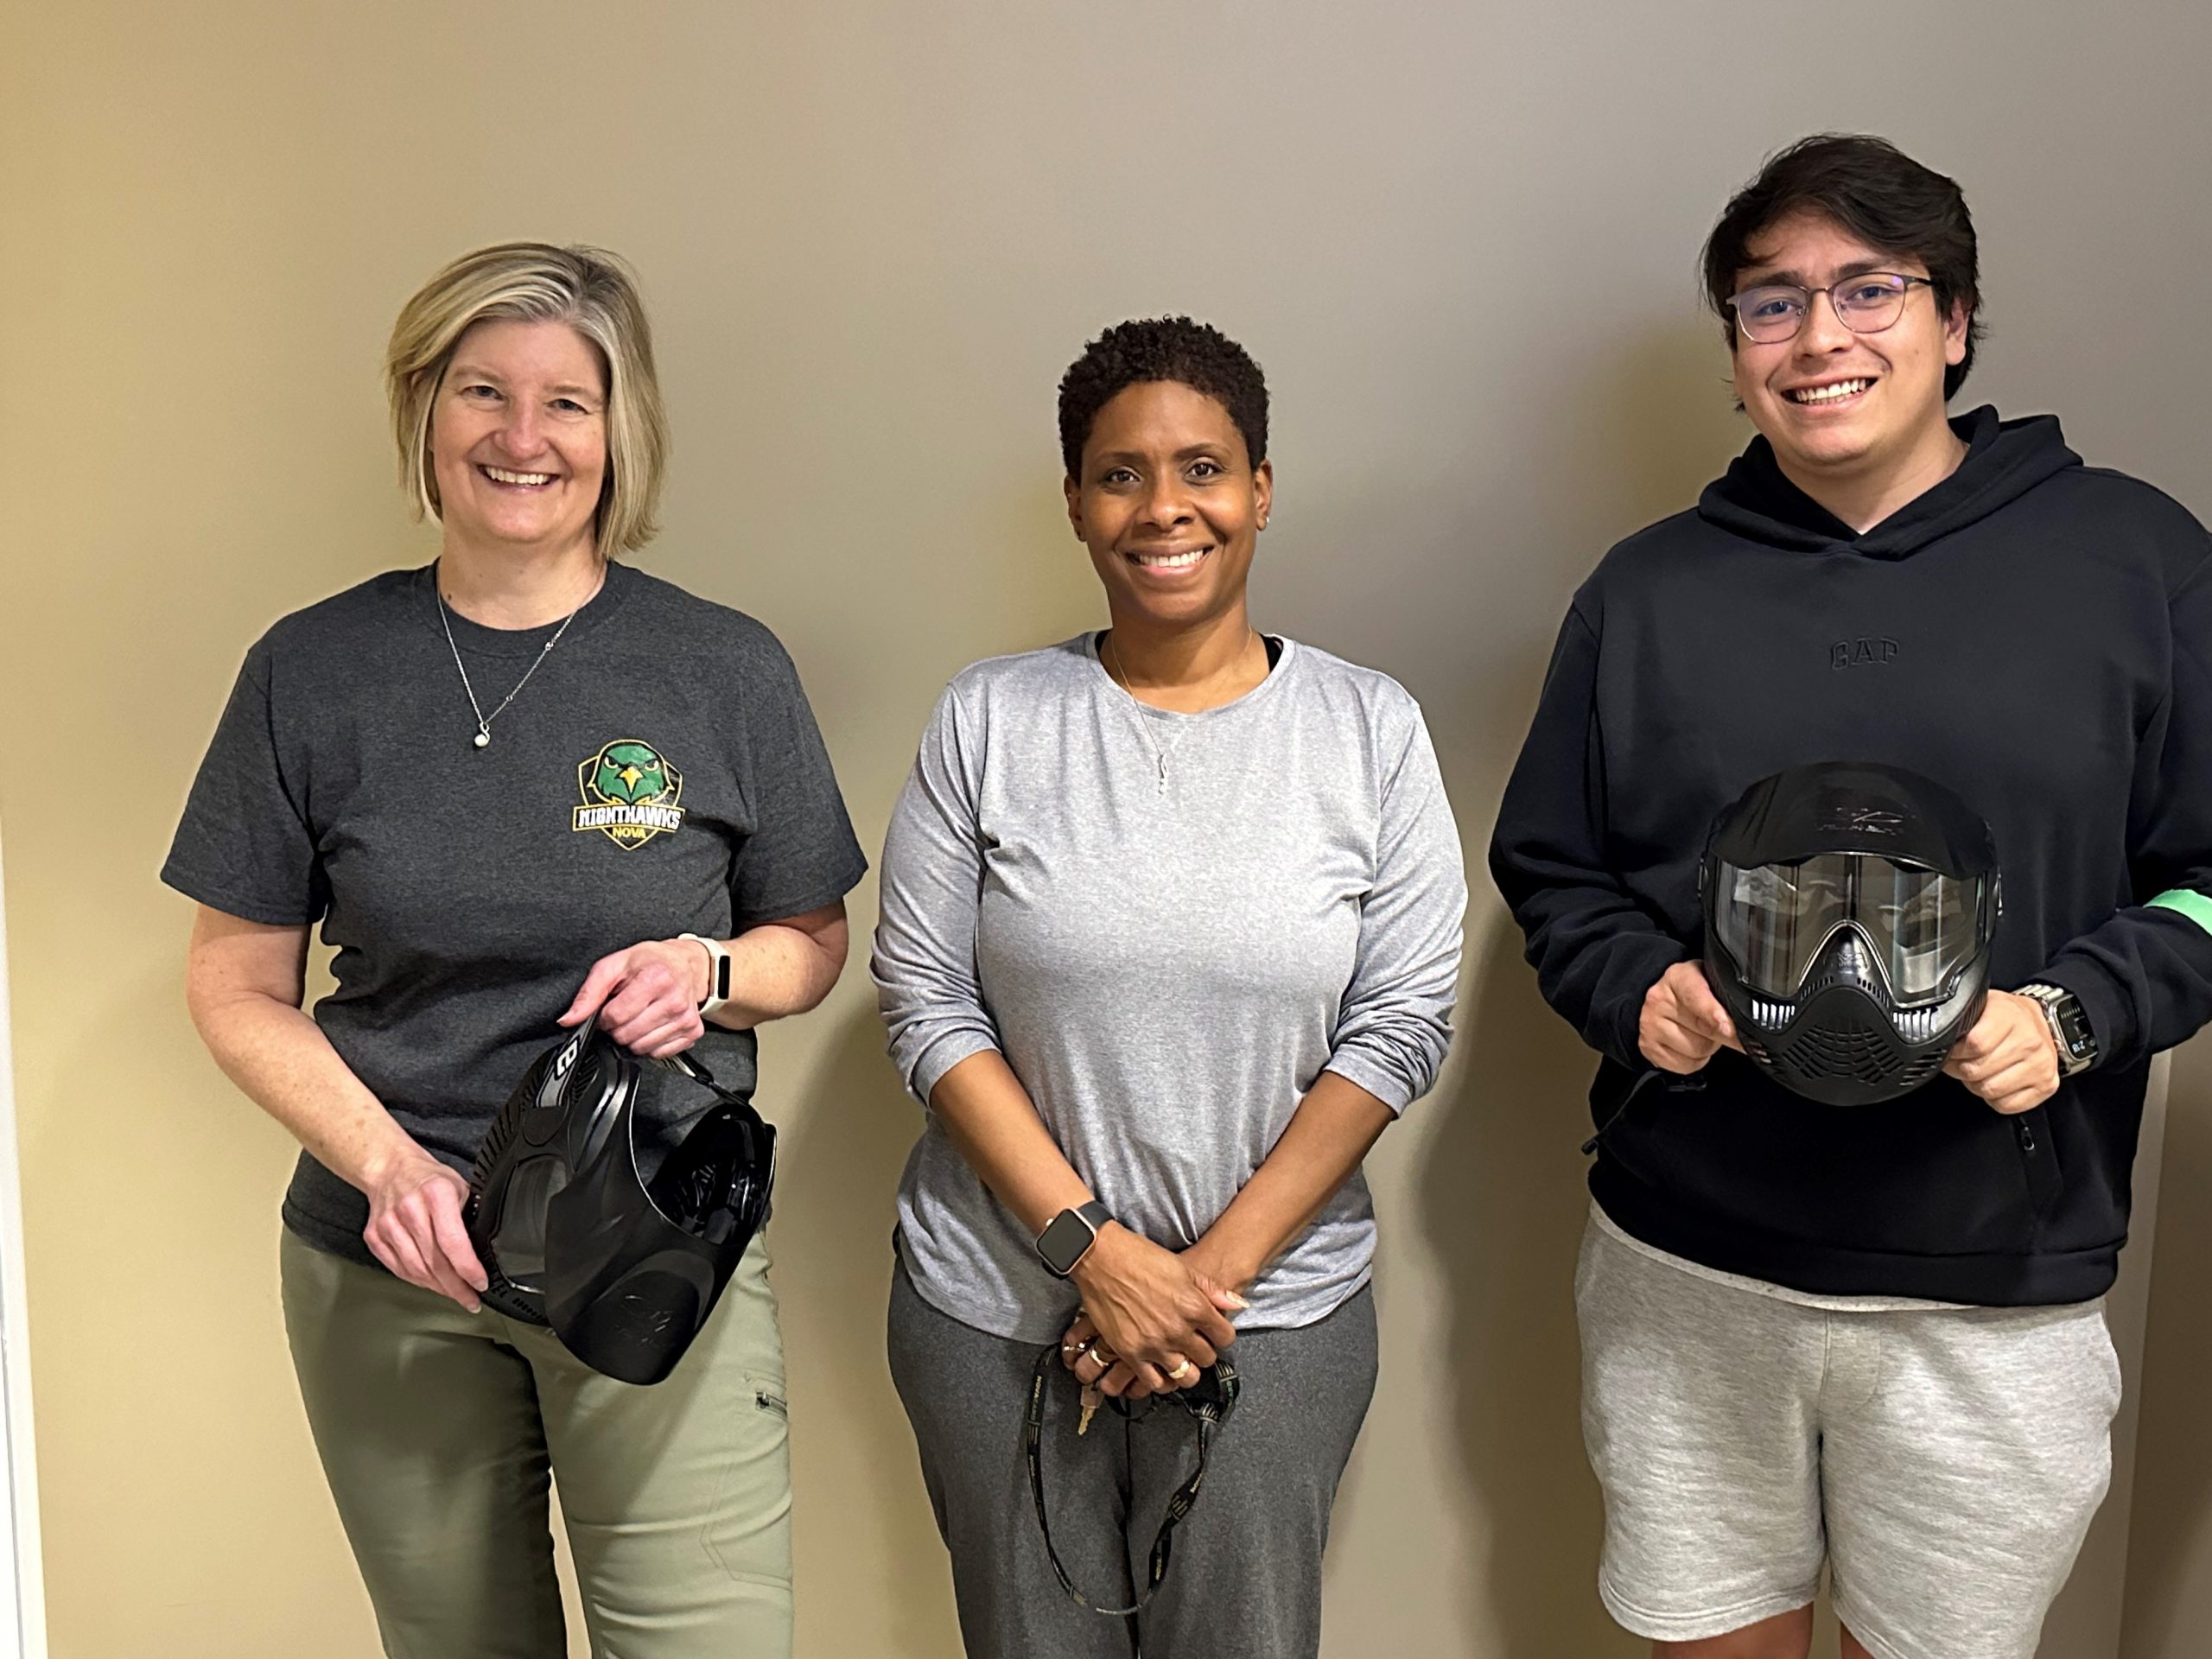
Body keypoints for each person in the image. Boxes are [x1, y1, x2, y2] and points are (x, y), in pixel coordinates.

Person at [1490, 133, 2212, 1659]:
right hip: (1690, 1274)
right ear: (1737, 350)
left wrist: (2076, 1017)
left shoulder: (2138, 563)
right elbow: (1556, 871)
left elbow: (2209, 887)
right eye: (1772, 302)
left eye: (1868, 289)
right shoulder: (1645, 594)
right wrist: (1636, 990)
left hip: (1992, 1302)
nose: (1819, 337)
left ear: (1955, 319)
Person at [164, 242, 866, 1658]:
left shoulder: (723, 669)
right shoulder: (312, 670)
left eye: (567, 402)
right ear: (425, 410)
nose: (522, 436)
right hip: (392, 1265)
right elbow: (234, 986)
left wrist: (710, 974)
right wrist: (388, 1169)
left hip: (654, 1247)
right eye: (483, 391)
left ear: (619, 432)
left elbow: (810, 940)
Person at [872, 316, 1465, 1658]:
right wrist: (1094, 1255)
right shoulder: (988, 716)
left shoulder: (1368, 729)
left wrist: (1194, 1287)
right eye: (1120, 474)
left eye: (1203, 468)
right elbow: (923, 1000)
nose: (1163, 507)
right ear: (1076, 501)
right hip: (995, 1311)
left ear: (1261, 487)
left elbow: (1399, 1026)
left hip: (1271, 1316)